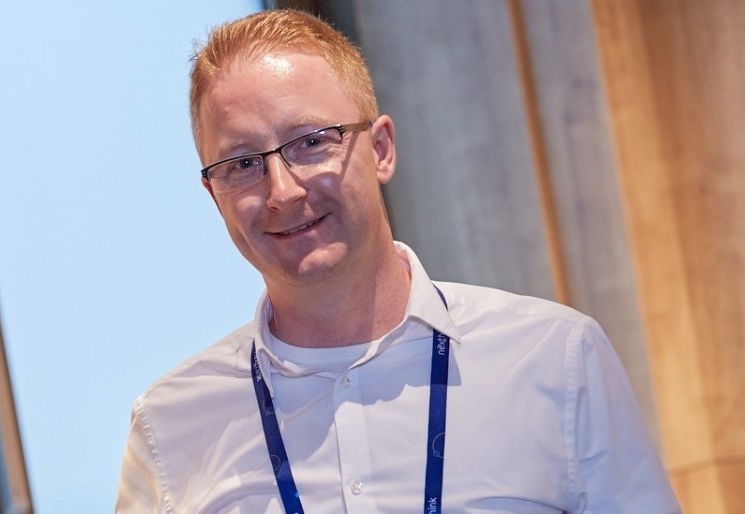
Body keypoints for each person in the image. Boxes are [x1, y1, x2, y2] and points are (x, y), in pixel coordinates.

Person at [116, 9, 681, 514]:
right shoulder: (170, 429)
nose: (282, 191)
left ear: (381, 149)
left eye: (311, 142)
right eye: (242, 164)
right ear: (214, 196)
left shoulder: (555, 358)